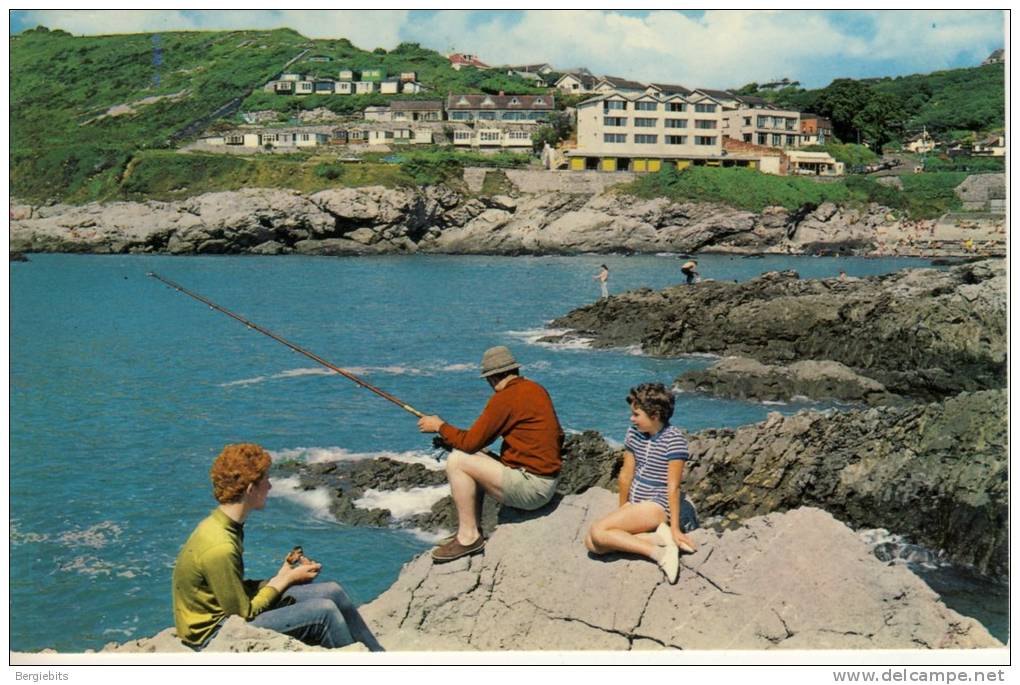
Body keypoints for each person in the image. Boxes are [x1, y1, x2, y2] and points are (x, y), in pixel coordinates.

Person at [172, 443, 384, 651]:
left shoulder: (225, 525)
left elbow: (232, 590)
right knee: (324, 612)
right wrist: (287, 580)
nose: (270, 486)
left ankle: (379, 659)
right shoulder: (220, 546)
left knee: (332, 591)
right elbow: (241, 614)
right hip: (213, 633)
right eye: (266, 480)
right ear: (250, 489)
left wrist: (282, 576)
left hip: (231, 611)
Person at [417, 346, 564, 563]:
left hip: (533, 490)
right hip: (546, 482)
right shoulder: (535, 389)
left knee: (457, 461)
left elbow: (470, 442)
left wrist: (439, 426)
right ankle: (470, 529)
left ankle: (469, 537)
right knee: (472, 455)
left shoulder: (506, 398)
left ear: (492, 378)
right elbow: (559, 436)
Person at [584, 383, 696, 584]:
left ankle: (659, 554)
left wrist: (676, 528)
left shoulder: (674, 440)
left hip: (658, 504)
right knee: (592, 544)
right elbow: (626, 474)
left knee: (598, 532)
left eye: (636, 414)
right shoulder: (633, 433)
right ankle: (657, 540)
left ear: (654, 416)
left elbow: (673, 487)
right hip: (637, 503)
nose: (631, 419)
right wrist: (623, 506)